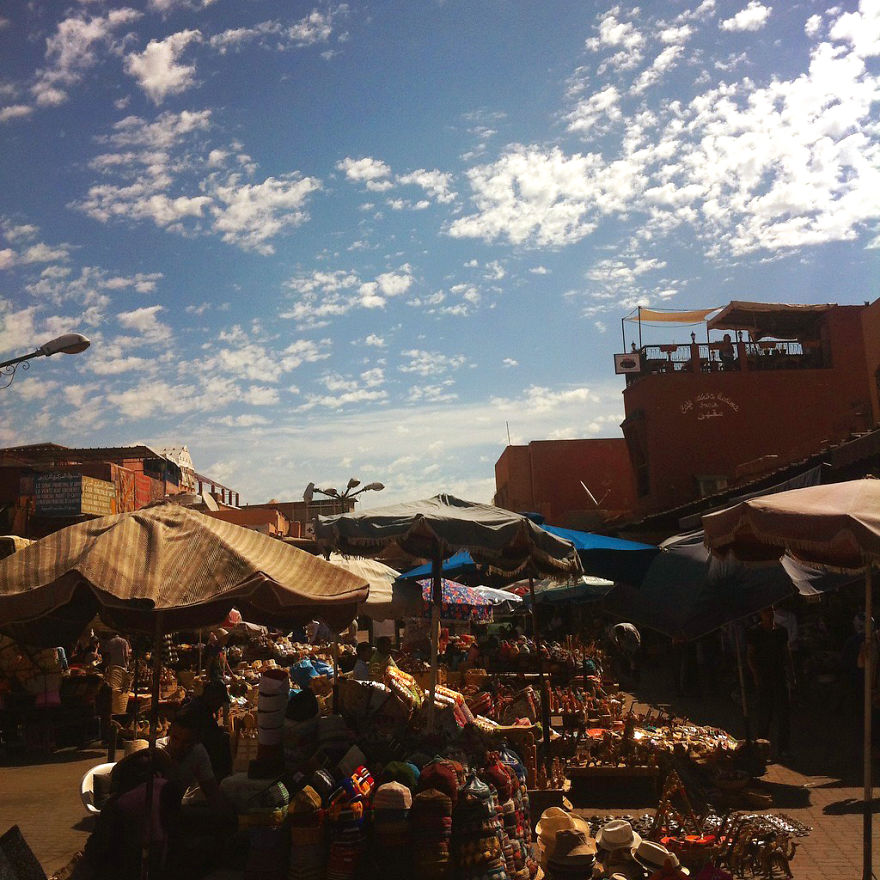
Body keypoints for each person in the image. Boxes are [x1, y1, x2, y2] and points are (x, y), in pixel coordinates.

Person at [747, 606, 795, 759]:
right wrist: (755, 675)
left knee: (783, 715)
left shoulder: (781, 632)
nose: (770, 614)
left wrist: (791, 675)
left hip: (779, 676)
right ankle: (761, 748)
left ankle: (783, 749)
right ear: (761, 614)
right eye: (766, 611)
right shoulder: (755, 632)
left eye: (771, 611)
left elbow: (786, 653)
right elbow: (750, 655)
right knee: (764, 715)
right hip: (764, 677)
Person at [183, 680, 233, 781]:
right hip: (190, 754)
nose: (219, 705)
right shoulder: (199, 710)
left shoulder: (202, 707)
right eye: (219, 701)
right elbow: (208, 737)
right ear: (213, 697)